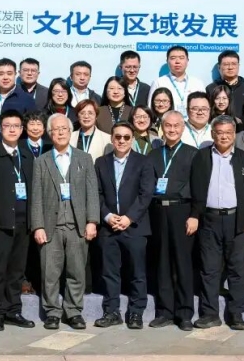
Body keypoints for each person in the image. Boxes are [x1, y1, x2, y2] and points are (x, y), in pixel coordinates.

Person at [190, 115, 244, 331]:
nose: (224, 136)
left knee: (237, 269)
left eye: (228, 133)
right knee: (209, 269)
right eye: (219, 132)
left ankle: (236, 314)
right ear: (213, 134)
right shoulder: (201, 157)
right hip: (209, 220)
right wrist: (195, 215)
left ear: (234, 135)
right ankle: (210, 314)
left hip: (236, 220)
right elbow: (195, 188)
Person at [30, 114, 100, 331]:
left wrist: (92, 221)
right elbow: (36, 196)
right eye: (55, 129)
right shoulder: (41, 161)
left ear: (71, 132)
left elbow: (92, 193)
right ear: (49, 134)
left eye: (64, 129)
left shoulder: (84, 158)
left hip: (78, 225)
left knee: (77, 271)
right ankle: (52, 312)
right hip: (50, 226)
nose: (60, 133)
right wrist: (38, 226)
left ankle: (73, 311)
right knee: (50, 273)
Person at [94, 122, 155, 330]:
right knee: (109, 272)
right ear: (112, 139)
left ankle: (136, 312)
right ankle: (112, 312)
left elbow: (146, 194)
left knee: (137, 272)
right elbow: (97, 193)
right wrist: (107, 216)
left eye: (126, 137)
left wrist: (129, 217)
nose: (121, 141)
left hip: (135, 226)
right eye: (118, 137)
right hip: (109, 226)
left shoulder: (144, 162)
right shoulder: (101, 162)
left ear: (132, 139)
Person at [0, 110, 36, 331]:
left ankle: (13, 311)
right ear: (0, 128)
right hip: (0, 224)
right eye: (7, 125)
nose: (12, 129)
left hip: (23, 224)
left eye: (16, 126)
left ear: (22, 130)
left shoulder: (27, 156)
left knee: (16, 272)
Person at [148, 111, 199, 331]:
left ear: (183, 128)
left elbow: (199, 188)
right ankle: (164, 312)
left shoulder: (193, 153)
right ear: (162, 127)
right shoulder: (153, 154)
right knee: (162, 263)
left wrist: (195, 215)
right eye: (168, 125)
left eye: (176, 126)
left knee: (183, 263)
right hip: (158, 211)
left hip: (183, 211)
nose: (172, 129)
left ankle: (185, 313)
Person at [0, 59, 35, 139]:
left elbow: (31, 128)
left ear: (15, 75)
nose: (5, 77)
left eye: (9, 74)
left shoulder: (27, 100)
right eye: (1, 74)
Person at [149, 46, 205, 118]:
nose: (177, 61)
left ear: (187, 61)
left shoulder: (197, 83)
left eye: (181, 58)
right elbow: (151, 108)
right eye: (173, 58)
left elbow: (205, 107)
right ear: (167, 61)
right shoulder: (158, 82)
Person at [204, 50, 244, 120]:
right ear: (219, 67)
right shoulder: (211, 88)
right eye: (226, 64)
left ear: (238, 66)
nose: (230, 67)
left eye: (234, 64)